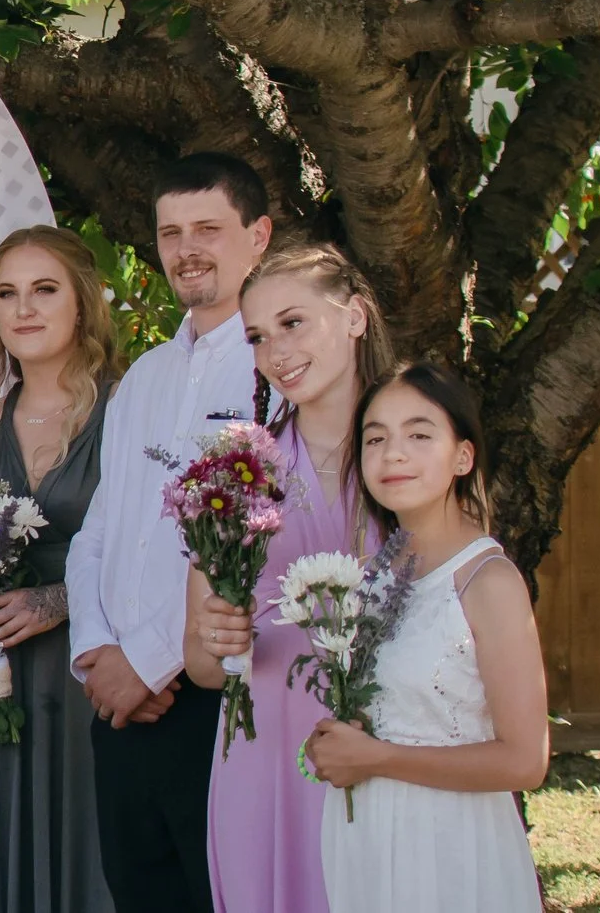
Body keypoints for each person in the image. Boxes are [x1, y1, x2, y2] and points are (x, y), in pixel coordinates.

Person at [65, 152, 273, 913]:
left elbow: (257, 548)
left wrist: (152, 662)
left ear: (258, 236)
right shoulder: (143, 376)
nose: (187, 250)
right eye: (171, 233)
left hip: (217, 701)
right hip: (118, 701)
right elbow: (98, 530)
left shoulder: (273, 375)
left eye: (208, 229)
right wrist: (96, 652)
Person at [185, 245, 390, 913]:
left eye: (293, 323)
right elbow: (202, 667)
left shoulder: (413, 450)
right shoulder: (238, 474)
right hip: (266, 750)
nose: (275, 351)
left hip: (393, 747)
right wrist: (220, 639)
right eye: (256, 336)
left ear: (355, 317)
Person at [309, 363, 547, 912]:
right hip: (366, 841)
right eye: (376, 439)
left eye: (419, 435)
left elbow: (524, 762)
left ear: (462, 457)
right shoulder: (368, 579)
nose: (393, 454)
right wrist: (330, 745)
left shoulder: (488, 582)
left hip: (448, 847)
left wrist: (376, 758)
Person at [0, 227, 121, 913]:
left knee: (96, 850)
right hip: (6, 677)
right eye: (7, 294)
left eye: (45, 289)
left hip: (98, 670)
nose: (24, 309)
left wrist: (58, 600)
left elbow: (152, 555)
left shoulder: (125, 413)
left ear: (83, 302)